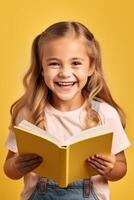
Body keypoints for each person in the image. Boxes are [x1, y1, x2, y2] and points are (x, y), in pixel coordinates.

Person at [3, 21, 130, 200]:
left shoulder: (106, 114)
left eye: (76, 63)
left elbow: (121, 167)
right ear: (41, 68)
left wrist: (110, 168)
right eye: (54, 64)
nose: (64, 73)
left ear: (91, 67)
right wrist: (17, 165)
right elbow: (9, 169)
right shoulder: (28, 113)